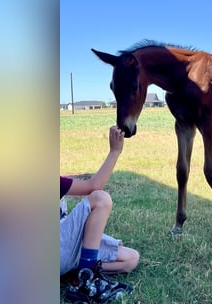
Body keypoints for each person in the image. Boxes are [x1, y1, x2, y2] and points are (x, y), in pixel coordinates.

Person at [60, 126, 140, 303]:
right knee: (100, 199)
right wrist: (114, 152)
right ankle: (85, 281)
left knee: (130, 259)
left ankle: (81, 270)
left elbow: (92, 183)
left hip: (65, 249)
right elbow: (94, 188)